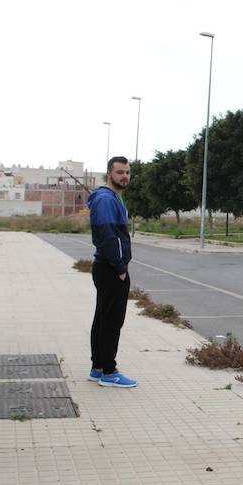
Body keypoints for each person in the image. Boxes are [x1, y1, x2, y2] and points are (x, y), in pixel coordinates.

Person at [87, 156, 137, 388]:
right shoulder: (106, 200)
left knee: (103, 318)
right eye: (120, 172)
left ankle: (98, 368)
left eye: (127, 172)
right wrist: (120, 267)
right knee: (111, 321)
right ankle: (109, 372)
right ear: (110, 174)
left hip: (106, 267)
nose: (124, 176)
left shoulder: (110, 198)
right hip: (110, 268)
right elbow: (109, 236)